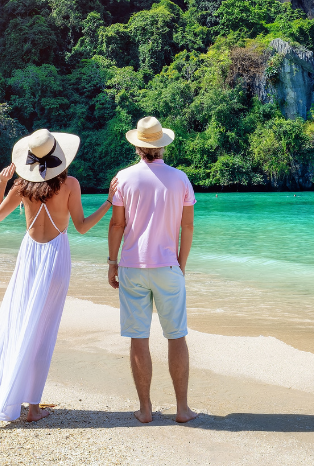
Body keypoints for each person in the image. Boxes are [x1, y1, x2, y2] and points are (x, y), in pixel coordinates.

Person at [0, 129, 117, 422]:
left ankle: (16, 396)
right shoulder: (70, 184)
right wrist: (107, 202)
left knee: (19, 321)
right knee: (43, 332)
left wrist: (2, 184)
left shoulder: (20, 186)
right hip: (56, 257)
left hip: (29, 256)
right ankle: (32, 408)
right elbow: (81, 226)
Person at [107, 116, 198, 424]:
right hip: (168, 267)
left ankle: (145, 410)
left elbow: (118, 224)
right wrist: (181, 263)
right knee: (176, 337)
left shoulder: (123, 178)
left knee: (138, 338)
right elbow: (187, 226)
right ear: (162, 147)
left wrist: (112, 262)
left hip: (132, 266)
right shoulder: (181, 178)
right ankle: (182, 410)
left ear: (137, 147)